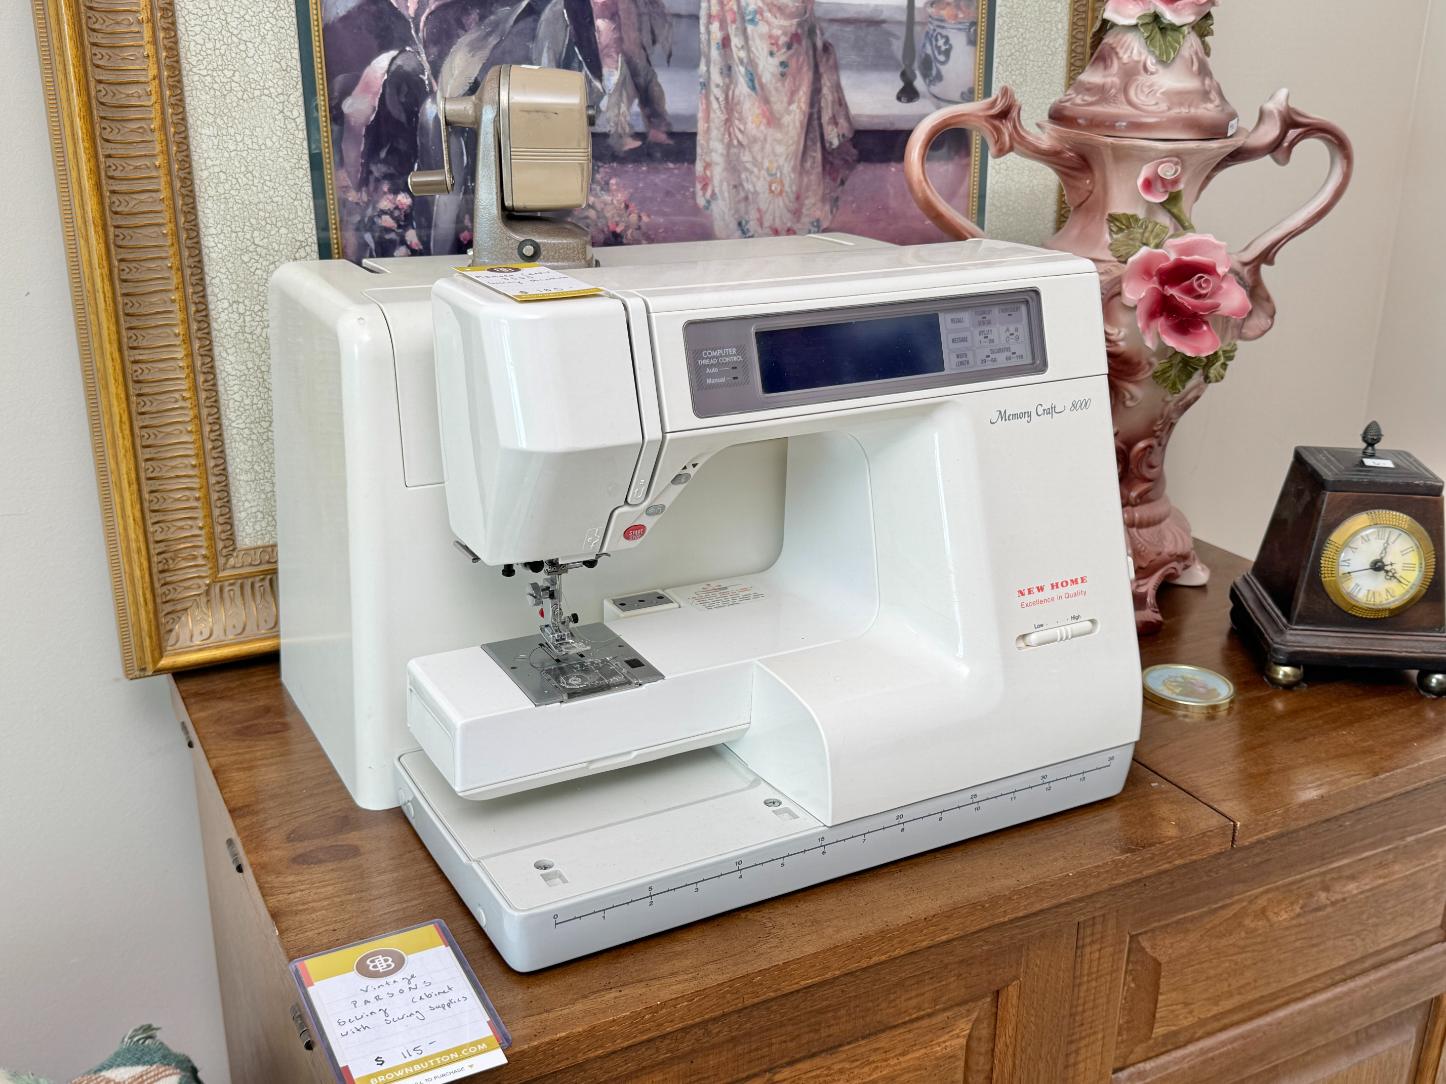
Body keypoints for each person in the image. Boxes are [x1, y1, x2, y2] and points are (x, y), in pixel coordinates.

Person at [696, 0, 857, 237]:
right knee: (748, 112)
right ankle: (752, 216)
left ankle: (778, 219)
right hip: (746, 19)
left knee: (787, 117)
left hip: (776, 26)